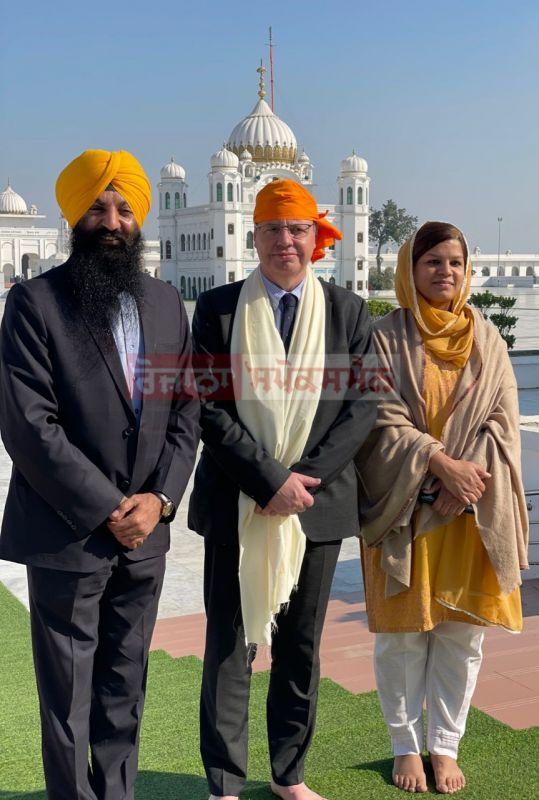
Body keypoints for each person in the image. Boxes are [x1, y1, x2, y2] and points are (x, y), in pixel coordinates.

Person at [0, 149, 200, 800]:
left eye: (122, 208)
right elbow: (31, 426)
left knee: (125, 686)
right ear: (72, 216)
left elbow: (184, 411)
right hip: (68, 535)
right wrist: (113, 504)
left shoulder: (167, 304)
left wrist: (161, 499)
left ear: (139, 219)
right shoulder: (35, 303)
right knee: (67, 700)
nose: (111, 221)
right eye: (96, 207)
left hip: (147, 536)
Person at [188, 178, 376, 800]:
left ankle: (288, 775)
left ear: (315, 238)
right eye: (273, 229)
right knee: (229, 648)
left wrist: (305, 480)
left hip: (314, 509)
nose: (285, 242)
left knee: (300, 648)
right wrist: (269, 479)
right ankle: (224, 782)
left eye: (297, 229)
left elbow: (363, 405)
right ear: (254, 235)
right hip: (239, 501)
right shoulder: (217, 310)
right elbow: (209, 407)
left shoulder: (347, 311)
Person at [355, 221, 529, 795]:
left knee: (460, 634)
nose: (445, 272)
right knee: (402, 635)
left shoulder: (490, 340)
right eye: (432, 262)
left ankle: (445, 744)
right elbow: (378, 415)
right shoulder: (384, 337)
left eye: (454, 262)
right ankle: (405, 745)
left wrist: (464, 482)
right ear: (410, 269)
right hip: (404, 506)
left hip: (470, 510)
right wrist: (437, 466)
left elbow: (502, 424)